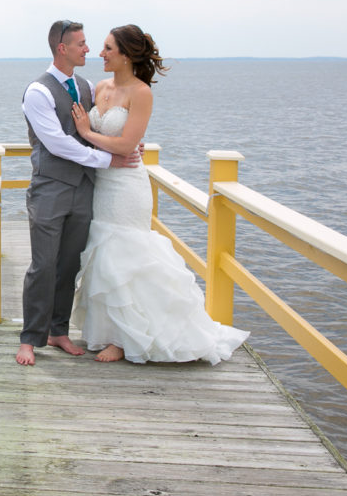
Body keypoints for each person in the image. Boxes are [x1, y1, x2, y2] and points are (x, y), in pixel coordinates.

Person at [69, 24, 249, 364]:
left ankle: (126, 339)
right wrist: (88, 135)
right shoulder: (100, 87)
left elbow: (124, 145)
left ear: (126, 54)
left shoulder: (141, 93)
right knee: (103, 256)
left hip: (126, 187)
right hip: (101, 184)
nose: (100, 53)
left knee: (126, 255)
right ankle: (110, 332)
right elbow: (110, 142)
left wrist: (86, 132)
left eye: (108, 48)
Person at [16, 20, 140, 366]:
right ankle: (30, 338)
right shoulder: (38, 92)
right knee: (43, 265)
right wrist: (107, 159)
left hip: (84, 189)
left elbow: (95, 128)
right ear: (62, 48)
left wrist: (127, 144)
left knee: (69, 264)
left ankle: (58, 331)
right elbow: (57, 143)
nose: (88, 49)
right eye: (82, 44)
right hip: (50, 190)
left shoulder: (85, 87)